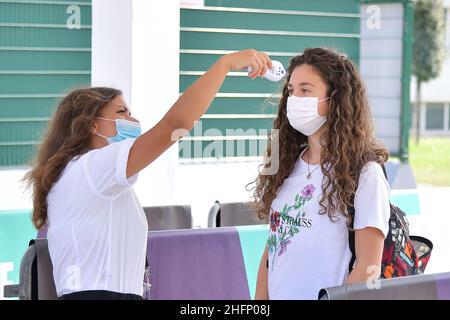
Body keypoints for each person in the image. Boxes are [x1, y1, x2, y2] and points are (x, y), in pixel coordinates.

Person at [24, 49, 273, 300]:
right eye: (122, 112)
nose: (132, 119)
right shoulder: (91, 167)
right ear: (91, 124)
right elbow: (174, 125)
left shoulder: (85, 173)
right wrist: (225, 65)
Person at [251, 47, 390, 300]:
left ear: (335, 100)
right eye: (291, 91)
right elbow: (272, 252)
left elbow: (368, 269)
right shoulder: (283, 164)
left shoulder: (366, 174)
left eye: (306, 90)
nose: (294, 99)